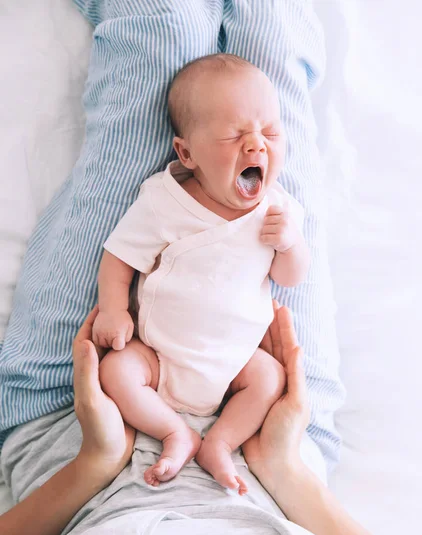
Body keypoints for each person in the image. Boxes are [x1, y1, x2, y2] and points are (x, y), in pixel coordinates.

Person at [0, 305, 421, 535]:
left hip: (74, 408)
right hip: (270, 424)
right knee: (269, 206)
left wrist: (94, 463)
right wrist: (284, 468)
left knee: (117, 188)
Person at [93, 55, 309, 493]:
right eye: (234, 136)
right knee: (116, 371)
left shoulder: (279, 210)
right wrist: (114, 309)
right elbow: (119, 255)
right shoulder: (164, 201)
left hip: (235, 362)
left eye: (270, 132)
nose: (256, 146)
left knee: (272, 378)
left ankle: (221, 442)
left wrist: (290, 243)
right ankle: (177, 432)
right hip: (159, 354)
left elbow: (290, 277)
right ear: (186, 152)